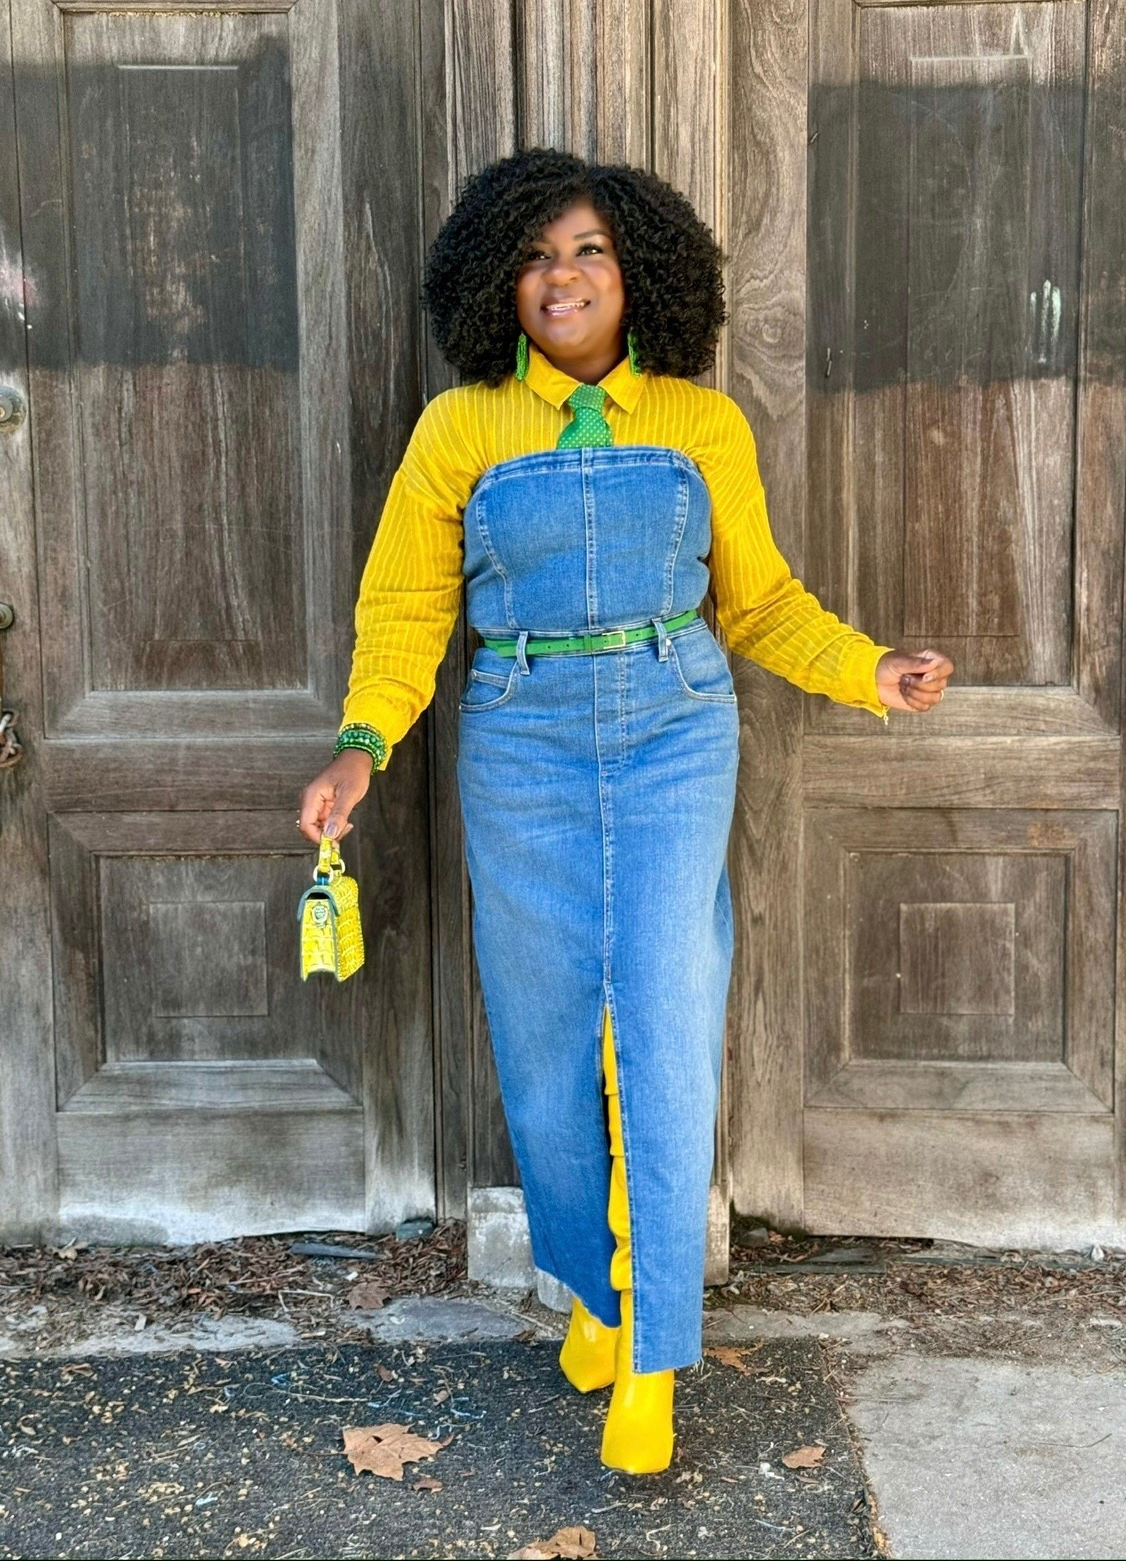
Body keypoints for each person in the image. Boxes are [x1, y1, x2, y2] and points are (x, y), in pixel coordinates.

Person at [299, 148, 953, 1475]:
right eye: (538, 255)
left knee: (658, 1016)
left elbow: (758, 602)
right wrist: (362, 746)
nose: (563, 276)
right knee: (543, 1038)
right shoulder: (461, 429)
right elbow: (408, 610)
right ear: (501, 280)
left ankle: (650, 1356)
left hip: (672, 728)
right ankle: (594, 1293)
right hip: (521, 740)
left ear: (637, 272)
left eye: (590, 250)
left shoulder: (702, 424)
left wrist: (868, 672)